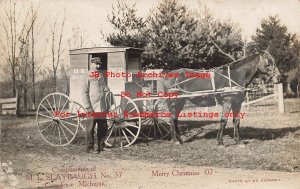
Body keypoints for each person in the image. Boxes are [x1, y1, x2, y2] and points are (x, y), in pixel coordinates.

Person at [82, 57, 109, 153]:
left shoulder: (100, 75)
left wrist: (106, 89)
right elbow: (84, 92)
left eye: (99, 64)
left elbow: (104, 87)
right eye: (96, 64)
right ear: (91, 64)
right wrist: (88, 107)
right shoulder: (87, 75)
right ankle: (90, 148)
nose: (98, 66)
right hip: (92, 106)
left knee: (103, 127)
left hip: (101, 106)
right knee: (90, 128)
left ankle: (101, 146)